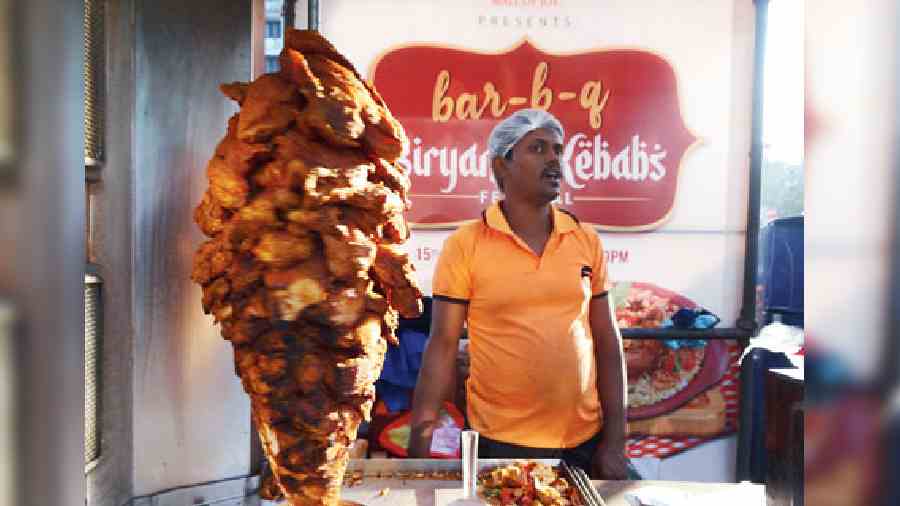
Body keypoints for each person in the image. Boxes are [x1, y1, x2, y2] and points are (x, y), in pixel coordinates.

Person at [408, 109, 630, 479]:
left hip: (583, 442)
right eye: (538, 149)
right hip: (500, 446)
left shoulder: (584, 239)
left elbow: (607, 340)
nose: (554, 160)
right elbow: (443, 344)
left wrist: (615, 441)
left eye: (558, 150)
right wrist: (420, 440)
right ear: (501, 167)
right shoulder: (466, 244)